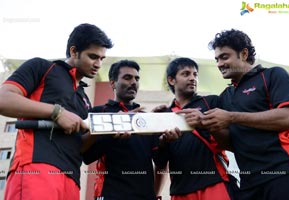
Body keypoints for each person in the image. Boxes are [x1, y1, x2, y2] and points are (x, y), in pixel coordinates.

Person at [0, 23, 113, 200]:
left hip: (71, 179)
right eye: (93, 57)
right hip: (36, 168)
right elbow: (3, 99)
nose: (98, 64)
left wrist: (103, 132)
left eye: (101, 59)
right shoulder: (42, 67)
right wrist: (57, 113)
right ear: (74, 51)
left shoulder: (85, 99)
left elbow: (80, 148)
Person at [202, 29, 289, 200]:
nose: (219, 64)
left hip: (283, 173)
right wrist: (209, 125)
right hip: (248, 181)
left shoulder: (273, 75)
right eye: (217, 59)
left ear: (244, 53)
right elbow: (231, 143)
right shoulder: (226, 96)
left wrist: (232, 117)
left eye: (225, 57)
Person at [82, 59, 177, 200]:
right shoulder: (98, 112)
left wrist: (164, 140)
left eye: (137, 78)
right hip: (109, 195)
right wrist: (115, 125)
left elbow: (160, 162)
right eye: (127, 77)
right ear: (113, 83)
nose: (134, 82)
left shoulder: (145, 118)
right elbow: (87, 156)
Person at [155, 57, 234, 200]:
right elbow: (160, 163)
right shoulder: (163, 115)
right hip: (180, 191)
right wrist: (164, 142)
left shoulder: (212, 101)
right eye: (186, 74)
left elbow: (233, 138)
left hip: (214, 183)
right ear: (171, 80)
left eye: (195, 74)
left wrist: (203, 122)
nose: (193, 78)